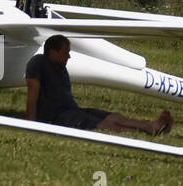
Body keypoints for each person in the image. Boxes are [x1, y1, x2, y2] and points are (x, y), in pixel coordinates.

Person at [25, 35, 172, 135]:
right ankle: (147, 129)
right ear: (53, 52)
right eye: (65, 52)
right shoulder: (38, 63)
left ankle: (150, 126)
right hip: (55, 116)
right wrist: (31, 124)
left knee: (114, 116)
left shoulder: (60, 66)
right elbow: (32, 95)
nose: (69, 56)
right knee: (105, 124)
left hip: (72, 110)